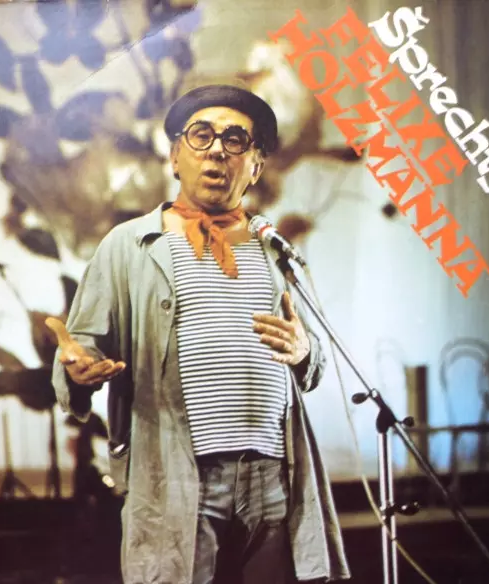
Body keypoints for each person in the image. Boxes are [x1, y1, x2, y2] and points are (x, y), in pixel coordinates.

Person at [47, 84, 350, 584]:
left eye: (235, 140)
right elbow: (82, 347)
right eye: (201, 136)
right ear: (174, 157)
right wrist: (78, 371)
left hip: (273, 474)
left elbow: (311, 358)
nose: (216, 150)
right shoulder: (130, 245)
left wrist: (303, 352)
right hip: (178, 475)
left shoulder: (273, 248)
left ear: (255, 166)